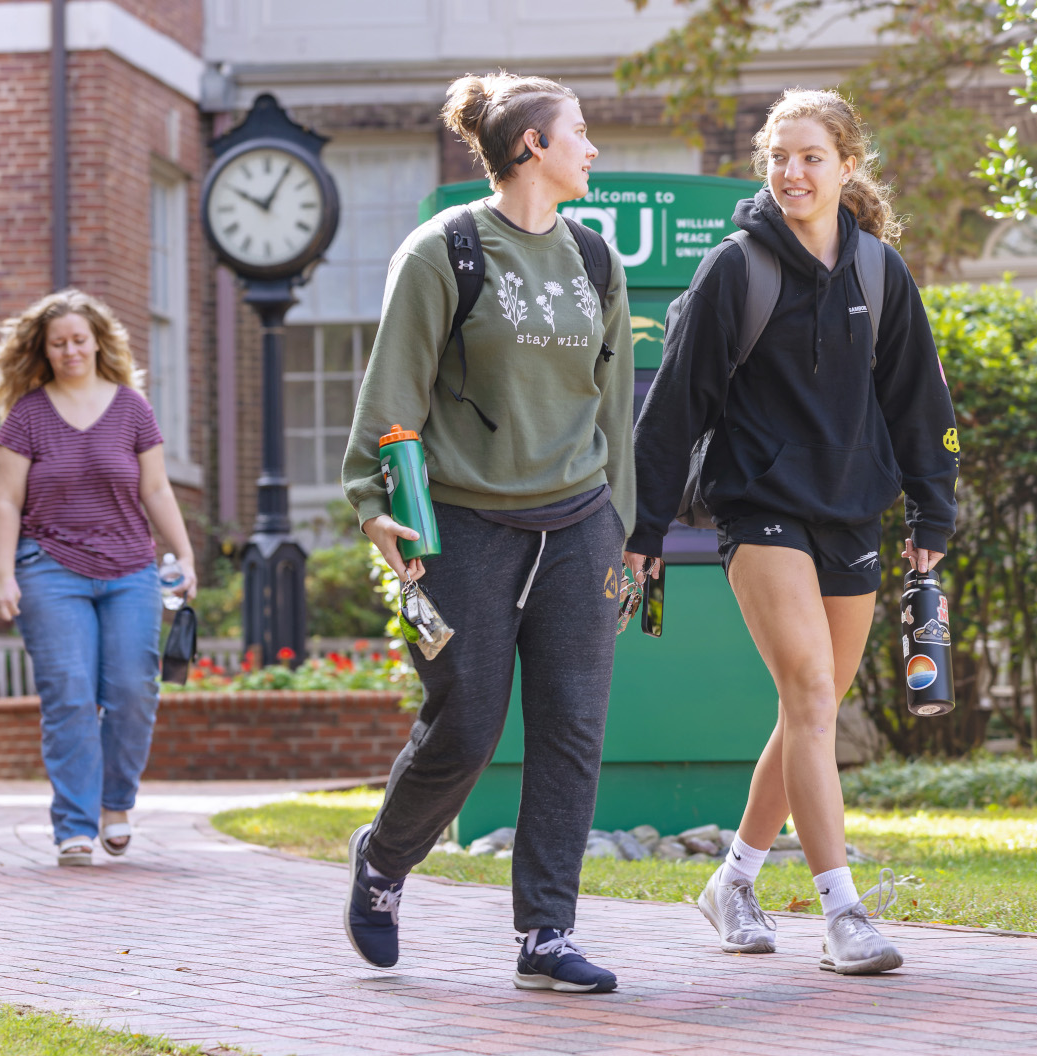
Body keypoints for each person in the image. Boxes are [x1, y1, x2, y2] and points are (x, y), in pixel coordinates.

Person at [629, 89, 959, 974]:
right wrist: (643, 530)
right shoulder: (737, 268)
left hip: (851, 509)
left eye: (811, 156)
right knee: (811, 693)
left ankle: (731, 878)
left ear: (848, 166)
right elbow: (672, 406)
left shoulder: (880, 272)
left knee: (810, 709)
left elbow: (919, 404)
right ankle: (842, 911)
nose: (791, 173)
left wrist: (933, 510)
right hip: (759, 506)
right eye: (779, 155)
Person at [340, 72, 637, 994]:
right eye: (578, 133)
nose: (593, 149)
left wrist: (625, 535)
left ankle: (546, 933)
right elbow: (393, 393)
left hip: (580, 523)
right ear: (531, 149)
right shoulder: (447, 251)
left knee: (572, 729)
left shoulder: (596, 260)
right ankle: (385, 862)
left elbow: (613, 408)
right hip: (467, 525)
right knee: (465, 727)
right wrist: (370, 498)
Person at [0, 289, 196, 867]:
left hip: (131, 569)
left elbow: (155, 488)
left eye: (80, 339)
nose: (71, 350)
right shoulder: (27, 415)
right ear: (44, 351)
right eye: (59, 343)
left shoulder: (131, 408)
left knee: (133, 689)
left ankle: (115, 803)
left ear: (98, 343)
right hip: (49, 569)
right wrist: (3, 574)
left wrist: (184, 555)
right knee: (70, 696)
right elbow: (6, 502)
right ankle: (74, 826)